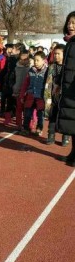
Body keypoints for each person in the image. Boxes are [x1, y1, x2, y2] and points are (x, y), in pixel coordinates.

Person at [57, 11, 75, 166]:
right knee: (72, 123)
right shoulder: (70, 43)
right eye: (69, 22)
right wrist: (58, 82)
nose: (70, 26)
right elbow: (65, 67)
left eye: (74, 23)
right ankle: (73, 154)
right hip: (68, 88)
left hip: (74, 89)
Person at [44, 44, 69, 146]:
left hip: (64, 96)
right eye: (55, 54)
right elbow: (46, 81)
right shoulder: (51, 67)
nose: (56, 56)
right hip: (53, 95)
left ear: (64, 54)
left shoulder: (68, 67)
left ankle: (65, 137)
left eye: (59, 54)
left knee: (64, 117)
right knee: (52, 116)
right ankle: (51, 135)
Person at [19, 51, 48, 136]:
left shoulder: (47, 71)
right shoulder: (31, 70)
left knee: (40, 114)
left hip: (41, 96)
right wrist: (22, 95)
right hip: (30, 95)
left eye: (38, 60)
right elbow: (25, 83)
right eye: (34, 60)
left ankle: (39, 128)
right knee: (27, 113)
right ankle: (26, 128)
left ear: (44, 60)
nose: (35, 62)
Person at [11, 50, 31, 130]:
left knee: (27, 109)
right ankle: (19, 124)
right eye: (22, 55)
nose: (24, 57)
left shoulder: (31, 67)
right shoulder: (16, 67)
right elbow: (12, 78)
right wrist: (13, 86)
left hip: (28, 91)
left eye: (25, 55)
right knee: (19, 108)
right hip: (18, 90)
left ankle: (28, 124)